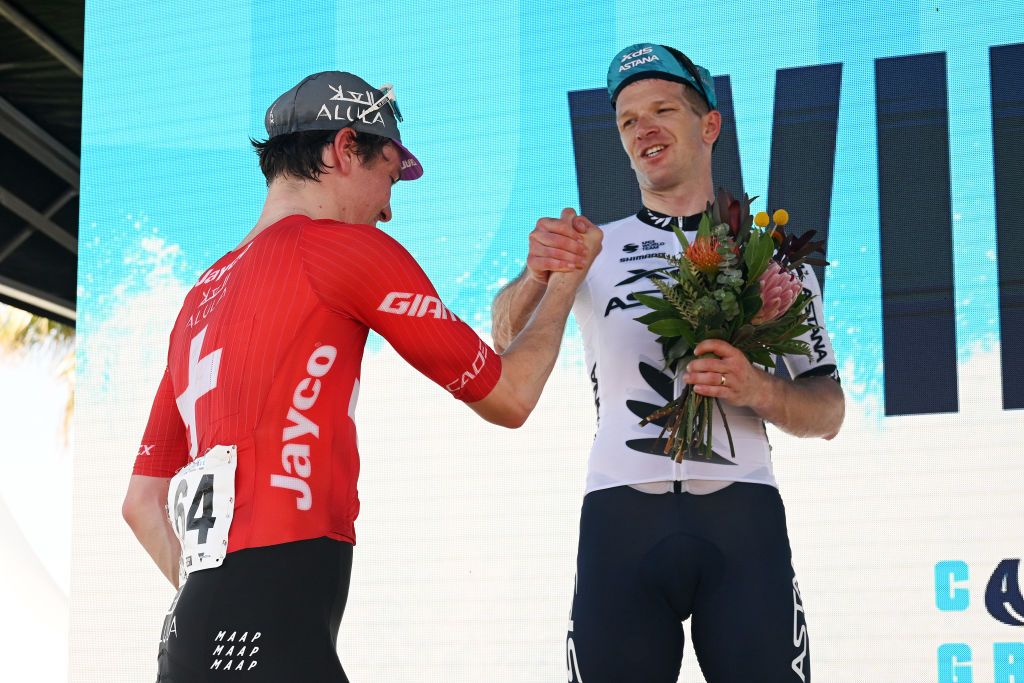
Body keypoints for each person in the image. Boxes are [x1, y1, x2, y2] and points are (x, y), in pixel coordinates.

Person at [121, 70, 601, 682]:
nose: (390, 208)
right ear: (344, 149)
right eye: (390, 174)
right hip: (268, 626)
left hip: (190, 633)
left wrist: (218, 599)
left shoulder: (198, 299)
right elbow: (510, 395)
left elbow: (141, 503)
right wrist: (564, 279)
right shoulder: (342, 250)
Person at [492, 44, 844, 682]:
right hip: (621, 519)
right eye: (628, 120)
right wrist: (535, 273)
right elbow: (504, 341)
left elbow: (828, 410)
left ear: (708, 124)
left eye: (661, 109)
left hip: (742, 521)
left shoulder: (769, 255)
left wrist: (757, 388)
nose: (643, 128)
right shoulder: (593, 246)